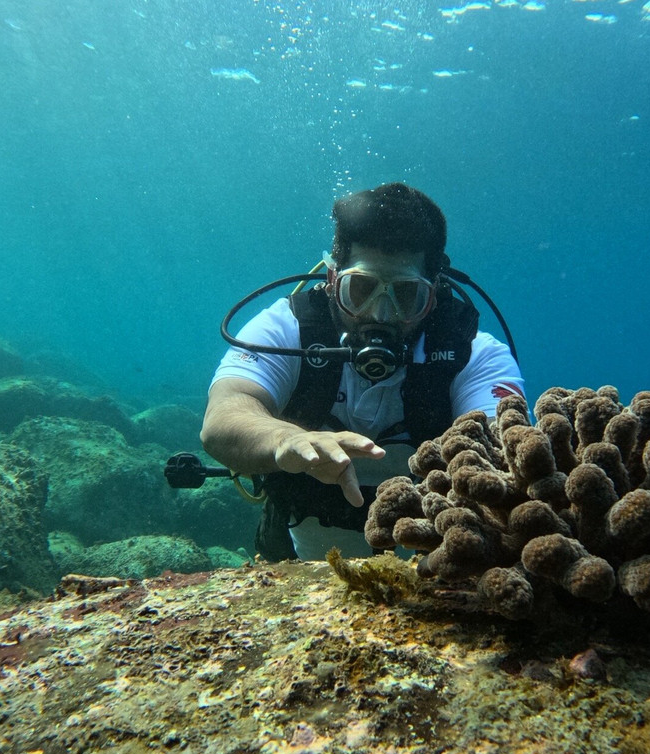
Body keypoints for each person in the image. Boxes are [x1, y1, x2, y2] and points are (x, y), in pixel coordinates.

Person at [200, 183, 524, 561]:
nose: (380, 313)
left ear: (433, 295)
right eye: (361, 289)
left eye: (406, 294)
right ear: (332, 281)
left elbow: (505, 445)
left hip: (437, 564)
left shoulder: (476, 355)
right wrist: (284, 439)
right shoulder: (287, 329)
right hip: (291, 546)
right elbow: (224, 415)